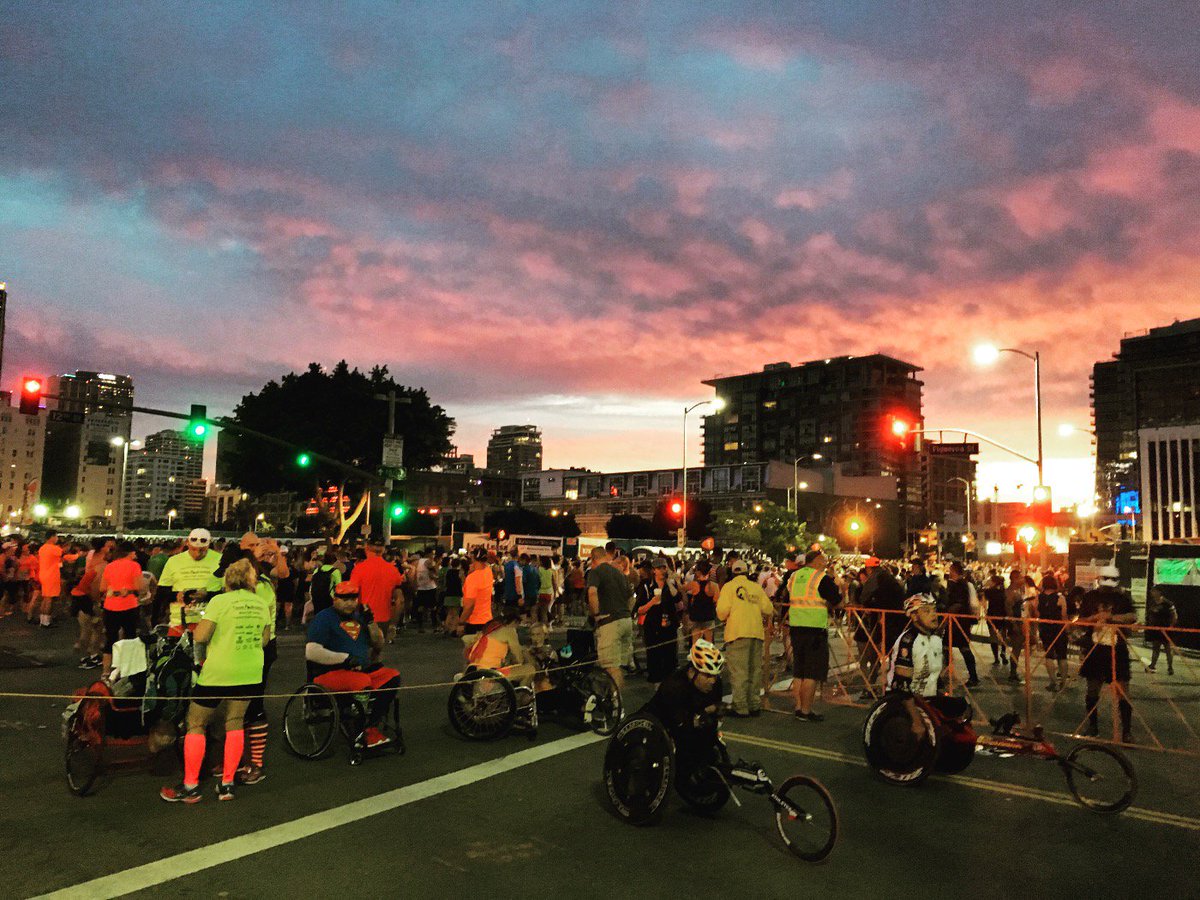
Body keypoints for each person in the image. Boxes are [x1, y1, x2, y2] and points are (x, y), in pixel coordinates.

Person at [161, 559, 272, 803]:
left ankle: (190, 785)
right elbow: (264, 640)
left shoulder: (219, 602)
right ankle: (228, 784)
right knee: (235, 721)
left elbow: (201, 635)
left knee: (196, 722)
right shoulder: (261, 603)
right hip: (250, 671)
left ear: (228, 579)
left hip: (219, 670)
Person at [306, 581, 401, 748]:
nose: (350, 603)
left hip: (361, 671)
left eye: (353, 598)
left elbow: (378, 645)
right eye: (345, 599)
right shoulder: (324, 618)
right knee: (361, 682)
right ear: (335, 599)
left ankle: (371, 726)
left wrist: (371, 623)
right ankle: (360, 732)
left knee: (391, 676)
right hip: (330, 673)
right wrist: (345, 658)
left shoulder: (360, 617)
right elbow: (312, 652)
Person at [641, 640, 725, 774]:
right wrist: (704, 714)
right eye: (708, 675)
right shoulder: (674, 687)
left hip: (686, 718)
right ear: (692, 672)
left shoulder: (716, 684)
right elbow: (679, 724)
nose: (713, 681)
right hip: (655, 723)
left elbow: (713, 714)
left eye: (715, 675)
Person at [1077, 565, 1136, 742]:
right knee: (1093, 688)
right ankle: (1093, 726)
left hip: (1116, 648)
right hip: (1096, 647)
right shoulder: (1090, 597)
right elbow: (1081, 621)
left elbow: (1132, 616)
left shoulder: (1122, 597)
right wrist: (1093, 619)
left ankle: (1126, 731)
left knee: (1122, 690)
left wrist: (1112, 618)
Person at [787, 549, 842, 722]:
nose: (826, 563)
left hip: (796, 627)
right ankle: (805, 710)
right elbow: (838, 601)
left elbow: (787, 593)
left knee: (799, 671)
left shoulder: (794, 576)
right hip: (814, 629)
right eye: (824, 560)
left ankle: (798, 706)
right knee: (811, 672)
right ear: (817, 560)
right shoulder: (820, 578)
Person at [717, 559, 774, 717]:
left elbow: (721, 612)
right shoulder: (755, 587)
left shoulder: (729, 587)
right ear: (747, 572)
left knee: (739, 672)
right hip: (755, 632)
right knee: (754, 670)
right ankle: (754, 704)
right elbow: (768, 608)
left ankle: (740, 706)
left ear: (732, 572)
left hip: (737, 632)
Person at [886, 594, 946, 736]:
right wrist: (916, 720)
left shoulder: (937, 639)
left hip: (928, 699)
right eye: (926, 611)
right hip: (906, 703)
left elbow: (935, 676)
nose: (934, 615)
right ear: (914, 616)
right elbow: (902, 686)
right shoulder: (908, 641)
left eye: (934, 610)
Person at [587, 546, 634, 693]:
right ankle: (612, 697)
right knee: (618, 665)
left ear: (594, 559)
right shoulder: (619, 573)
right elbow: (631, 597)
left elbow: (592, 593)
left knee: (610, 666)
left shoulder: (596, 572)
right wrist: (626, 612)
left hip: (610, 622)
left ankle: (615, 704)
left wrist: (595, 615)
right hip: (626, 620)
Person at [155, 529, 220, 626]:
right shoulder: (174, 561)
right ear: (187, 544)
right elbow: (162, 591)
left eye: (202, 550)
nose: (197, 553)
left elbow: (228, 591)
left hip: (210, 620)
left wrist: (207, 595)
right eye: (194, 549)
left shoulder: (220, 560)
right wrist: (177, 595)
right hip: (179, 620)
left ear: (208, 545)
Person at [98, 541, 143, 678]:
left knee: (110, 638)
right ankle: (126, 669)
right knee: (129, 637)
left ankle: (106, 671)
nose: (135, 554)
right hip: (129, 605)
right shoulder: (135, 566)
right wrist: (128, 590)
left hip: (110, 606)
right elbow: (139, 587)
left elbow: (102, 588)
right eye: (134, 552)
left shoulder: (110, 566)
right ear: (129, 553)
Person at [348, 537, 405, 640]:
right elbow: (400, 601)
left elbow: (352, 596)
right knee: (378, 651)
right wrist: (393, 625)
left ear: (367, 548)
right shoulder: (393, 570)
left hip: (363, 618)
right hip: (384, 619)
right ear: (383, 549)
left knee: (363, 651)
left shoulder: (359, 569)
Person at [636, 559, 682, 684]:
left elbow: (679, 602)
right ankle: (655, 679)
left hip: (669, 625)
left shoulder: (670, 585)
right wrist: (652, 602)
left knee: (670, 656)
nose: (662, 571)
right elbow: (639, 609)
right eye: (659, 568)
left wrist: (672, 583)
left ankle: (669, 679)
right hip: (652, 626)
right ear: (653, 570)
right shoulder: (646, 586)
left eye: (664, 568)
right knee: (654, 654)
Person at [941, 561, 980, 688]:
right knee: (946, 646)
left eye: (950, 570)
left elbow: (959, 603)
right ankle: (947, 672)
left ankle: (973, 677)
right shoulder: (958, 584)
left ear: (954, 571)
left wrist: (948, 614)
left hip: (959, 621)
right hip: (957, 620)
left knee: (963, 647)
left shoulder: (960, 585)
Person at [1036, 574, 1069, 692]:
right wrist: (1067, 629)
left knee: (1049, 655)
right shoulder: (1060, 598)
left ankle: (1053, 682)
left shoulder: (1038, 597)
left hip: (1045, 629)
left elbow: (1037, 614)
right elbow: (1064, 615)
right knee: (1062, 656)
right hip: (1058, 629)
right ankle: (1063, 682)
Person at [458, 549, 494, 636]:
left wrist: (461, 623)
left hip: (474, 621)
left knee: (472, 648)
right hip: (487, 618)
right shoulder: (488, 571)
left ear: (473, 558)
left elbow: (470, 605)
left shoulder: (472, 578)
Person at [683, 559, 719, 646]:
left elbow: (682, 589)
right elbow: (717, 601)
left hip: (696, 617)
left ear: (698, 572)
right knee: (709, 645)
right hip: (708, 616)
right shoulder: (714, 586)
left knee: (696, 645)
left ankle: (696, 659)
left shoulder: (693, 585)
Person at [35, 531, 65, 628]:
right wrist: (77, 555)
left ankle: (42, 620)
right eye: (56, 536)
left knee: (45, 598)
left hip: (43, 574)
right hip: (51, 575)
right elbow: (64, 556)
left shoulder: (42, 548)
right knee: (49, 599)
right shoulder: (54, 548)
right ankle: (46, 622)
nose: (57, 538)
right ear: (52, 537)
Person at [1145, 588, 1178, 675]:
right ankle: (1152, 665)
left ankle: (1170, 667)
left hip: (1166, 630)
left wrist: (1171, 626)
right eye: (1152, 591)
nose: (1152, 593)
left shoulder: (1168, 604)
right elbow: (1150, 615)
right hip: (1156, 630)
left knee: (1168, 649)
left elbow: (1174, 615)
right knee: (1156, 648)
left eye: (1154, 591)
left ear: (1159, 592)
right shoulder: (1152, 603)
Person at [982, 573, 1009, 666]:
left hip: (992, 614)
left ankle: (996, 658)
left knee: (993, 636)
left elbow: (984, 603)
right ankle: (1003, 652)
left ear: (993, 582)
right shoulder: (1004, 591)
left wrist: (985, 613)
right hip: (1002, 614)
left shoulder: (988, 591)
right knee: (1003, 635)